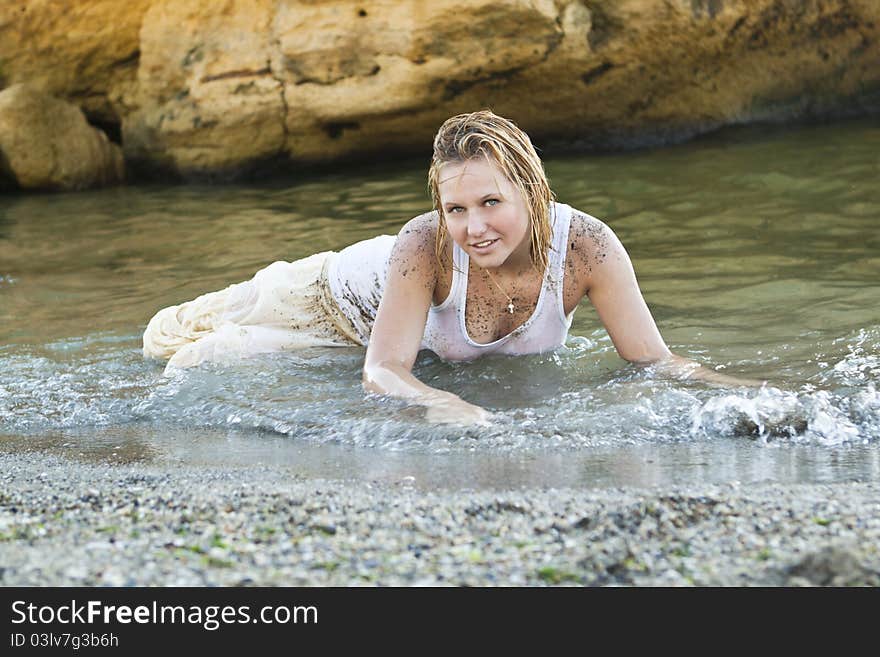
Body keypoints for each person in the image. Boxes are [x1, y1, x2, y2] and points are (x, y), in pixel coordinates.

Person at [143, 110, 760, 425]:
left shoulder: (588, 249)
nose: (474, 228)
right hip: (323, 300)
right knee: (165, 344)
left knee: (203, 358)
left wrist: (746, 395)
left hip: (373, 336)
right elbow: (383, 370)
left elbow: (654, 361)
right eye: (456, 208)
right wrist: (440, 402)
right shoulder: (424, 244)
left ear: (534, 192)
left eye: (492, 202)